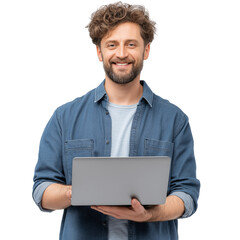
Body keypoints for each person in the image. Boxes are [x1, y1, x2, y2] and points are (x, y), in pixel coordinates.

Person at [33, 2, 200, 240]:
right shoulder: (64, 117)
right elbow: (42, 191)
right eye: (112, 45)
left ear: (146, 50)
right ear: (100, 52)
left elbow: (186, 195)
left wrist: (149, 215)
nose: (121, 53)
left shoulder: (175, 120)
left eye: (131, 44)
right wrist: (78, 191)